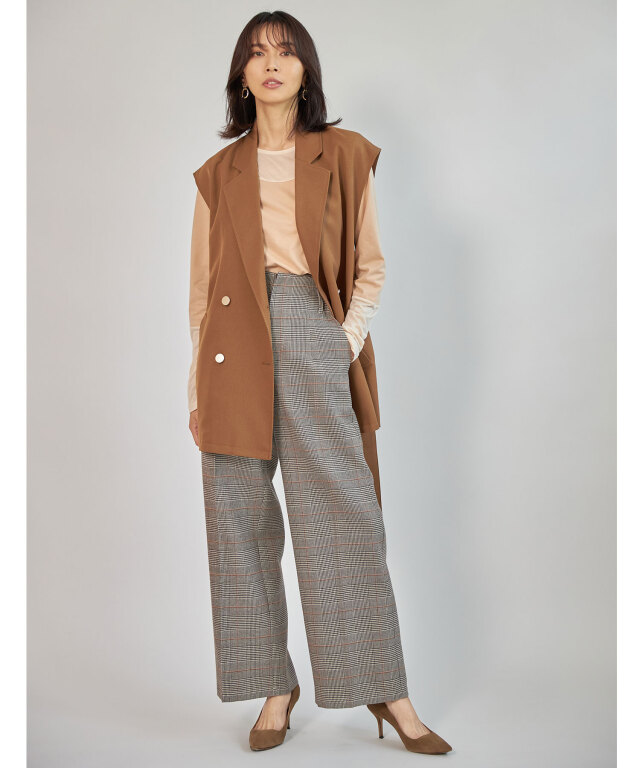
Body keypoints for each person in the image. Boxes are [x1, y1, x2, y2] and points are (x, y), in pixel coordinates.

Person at [187, 10, 453, 755]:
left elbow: (371, 264)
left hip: (313, 331)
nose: (271, 63)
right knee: (238, 522)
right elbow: (201, 291)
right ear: (241, 75)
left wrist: (341, 342)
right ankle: (274, 686)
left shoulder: (343, 154)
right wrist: (195, 392)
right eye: (256, 53)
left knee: (344, 519)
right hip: (231, 349)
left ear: (305, 69)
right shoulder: (218, 174)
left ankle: (386, 690)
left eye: (285, 52)